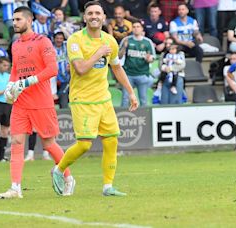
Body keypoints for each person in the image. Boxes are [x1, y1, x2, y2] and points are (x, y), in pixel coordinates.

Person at [51, 1, 139, 197]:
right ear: (84, 17)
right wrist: (98, 53)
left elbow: (116, 67)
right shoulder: (75, 40)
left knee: (111, 141)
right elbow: (81, 69)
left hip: (103, 99)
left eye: (97, 13)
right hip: (82, 99)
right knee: (85, 144)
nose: (94, 16)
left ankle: (108, 186)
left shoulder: (110, 41)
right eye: (90, 13)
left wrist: (131, 92)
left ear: (103, 17)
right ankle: (58, 170)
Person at [0, 6, 75, 199]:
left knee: (48, 143)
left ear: (29, 20)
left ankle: (68, 178)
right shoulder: (15, 44)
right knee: (16, 142)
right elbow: (15, 70)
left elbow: (52, 69)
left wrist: (29, 81)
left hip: (41, 101)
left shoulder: (43, 41)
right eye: (13, 20)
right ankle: (15, 188)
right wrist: (9, 86)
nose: (14, 23)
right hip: (21, 102)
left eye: (18, 20)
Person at [119, 21, 155, 107]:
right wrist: (124, 47)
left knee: (143, 99)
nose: (136, 28)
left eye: (138, 26)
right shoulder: (126, 40)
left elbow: (152, 58)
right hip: (128, 75)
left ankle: (145, 119)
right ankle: (122, 118)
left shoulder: (147, 42)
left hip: (142, 74)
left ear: (142, 28)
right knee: (125, 98)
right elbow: (119, 56)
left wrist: (149, 59)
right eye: (134, 26)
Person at [158, 37, 186, 104]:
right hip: (165, 77)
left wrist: (171, 68)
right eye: (166, 43)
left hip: (177, 77)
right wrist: (164, 68)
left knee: (175, 100)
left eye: (170, 43)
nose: (168, 45)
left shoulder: (180, 54)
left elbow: (182, 65)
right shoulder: (163, 54)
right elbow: (160, 65)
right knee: (164, 100)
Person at [53, 31, 70, 108]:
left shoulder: (67, 46)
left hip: (65, 79)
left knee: (63, 95)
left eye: (61, 38)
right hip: (53, 80)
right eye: (57, 38)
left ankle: (64, 112)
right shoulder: (50, 48)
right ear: (54, 39)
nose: (59, 40)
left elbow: (72, 39)